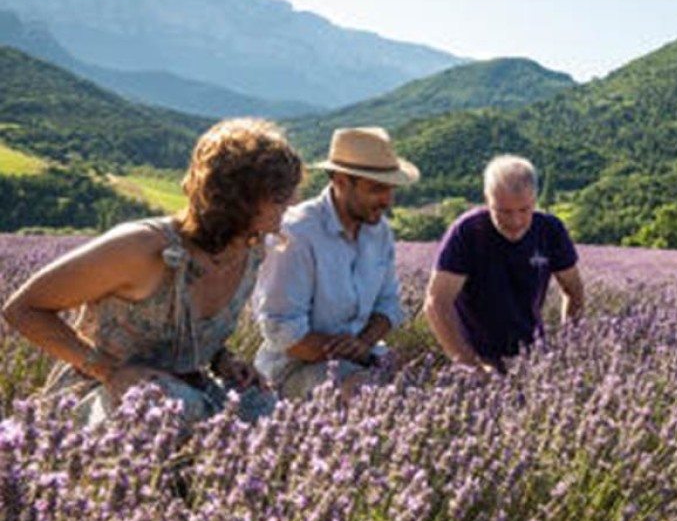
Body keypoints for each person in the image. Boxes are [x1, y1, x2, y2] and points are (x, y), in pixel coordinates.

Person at [2, 118, 303, 426]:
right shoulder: (141, 247)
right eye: (279, 194)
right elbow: (23, 308)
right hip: (106, 392)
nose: (292, 201)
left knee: (268, 411)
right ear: (239, 198)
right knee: (170, 408)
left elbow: (185, 333)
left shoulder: (252, 250)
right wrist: (108, 371)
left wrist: (223, 360)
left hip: (190, 390)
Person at [254, 127, 417, 400]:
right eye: (377, 188)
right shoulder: (297, 234)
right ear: (341, 181)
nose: (387, 200)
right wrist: (349, 352)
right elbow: (284, 333)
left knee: (419, 389)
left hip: (360, 356)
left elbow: (388, 305)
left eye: (391, 188)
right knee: (366, 394)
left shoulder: (379, 232)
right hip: (294, 369)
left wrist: (362, 344)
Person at [424, 154, 584, 371]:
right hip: (477, 353)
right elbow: (437, 302)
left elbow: (574, 289)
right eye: (504, 212)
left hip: (532, 354)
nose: (515, 222)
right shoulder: (467, 232)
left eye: (524, 210)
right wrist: (471, 365)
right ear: (487, 199)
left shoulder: (550, 230)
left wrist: (570, 345)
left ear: (535, 200)